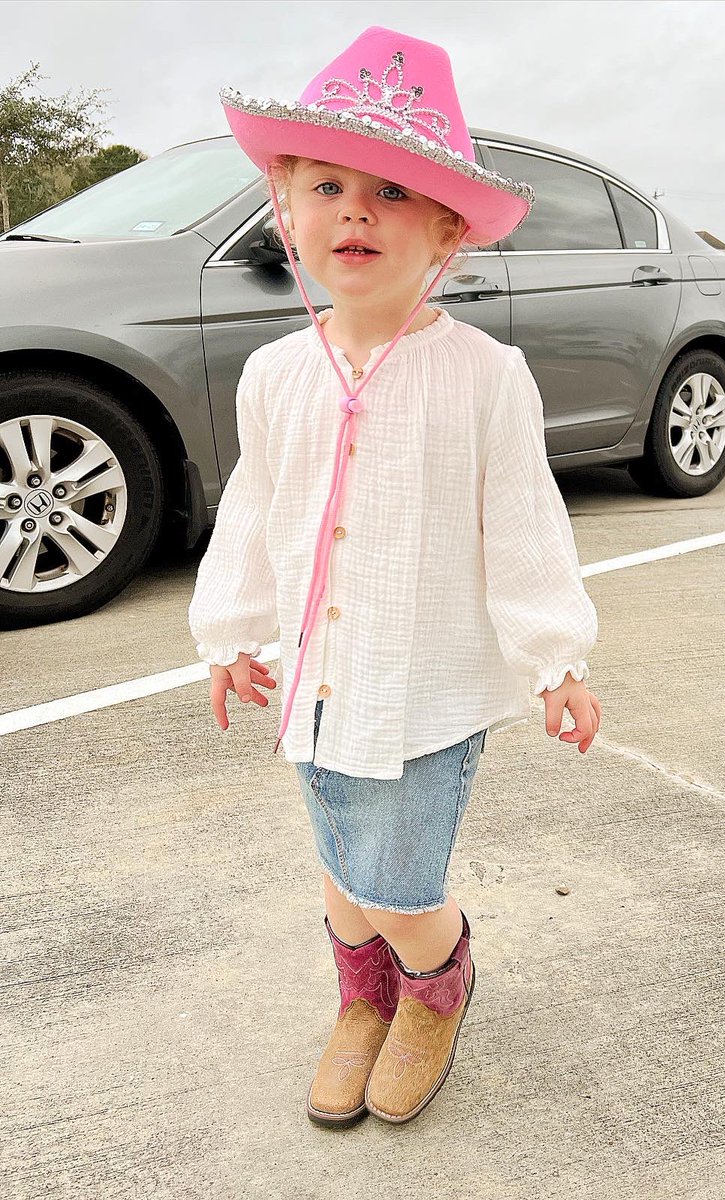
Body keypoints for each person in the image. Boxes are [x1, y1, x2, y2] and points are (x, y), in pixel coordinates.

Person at [187, 26, 601, 1129]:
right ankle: (361, 1001)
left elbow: (520, 522)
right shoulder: (276, 373)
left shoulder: (482, 375)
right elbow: (256, 507)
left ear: (447, 232)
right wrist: (231, 630)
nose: (355, 211)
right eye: (327, 186)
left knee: (398, 882)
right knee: (338, 863)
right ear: (287, 212)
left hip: (427, 689)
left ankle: (437, 988)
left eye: (392, 192)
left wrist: (554, 655)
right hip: (319, 680)